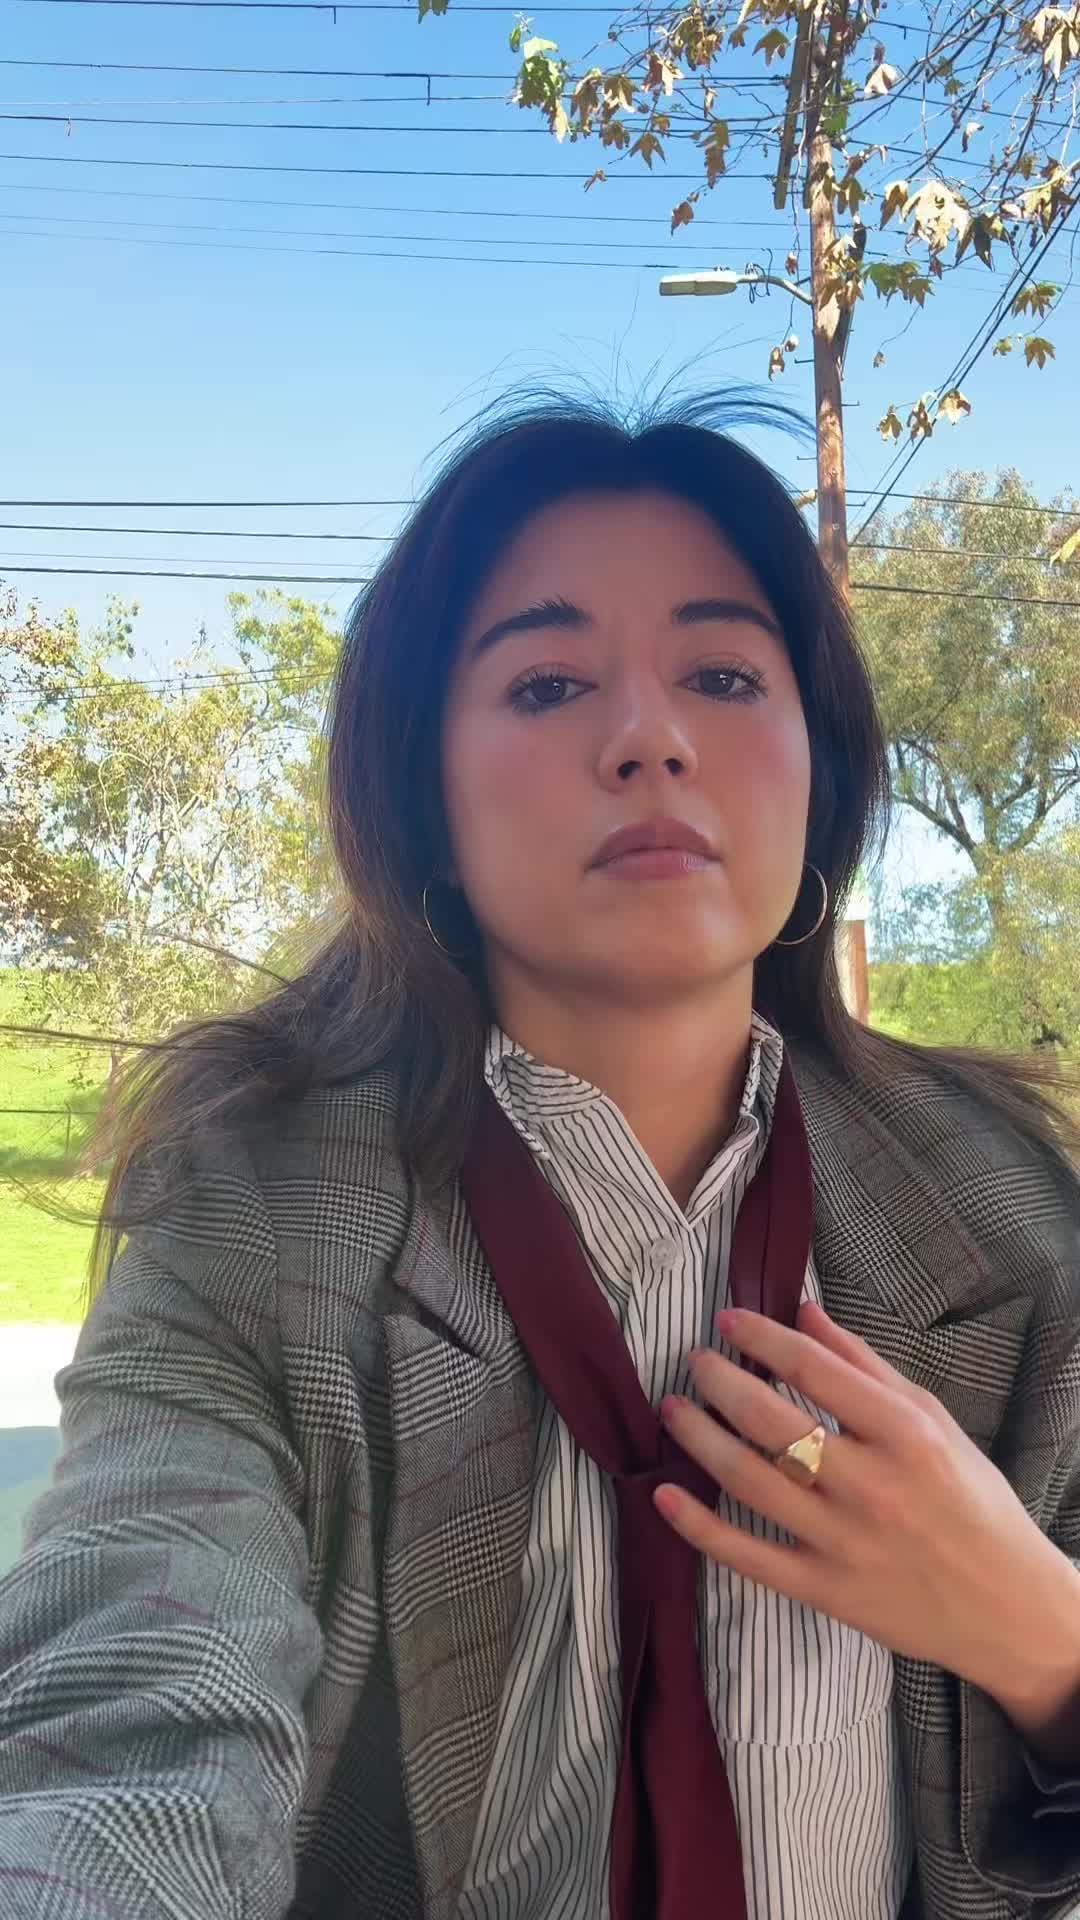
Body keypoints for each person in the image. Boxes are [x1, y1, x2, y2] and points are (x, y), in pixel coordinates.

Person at [1, 392, 1078, 1920]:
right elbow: (129, 1720)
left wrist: (1042, 1636)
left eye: (723, 675)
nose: (649, 740)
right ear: (427, 804)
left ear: (821, 778)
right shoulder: (250, 1216)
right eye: (548, 683)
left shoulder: (1016, 1217)